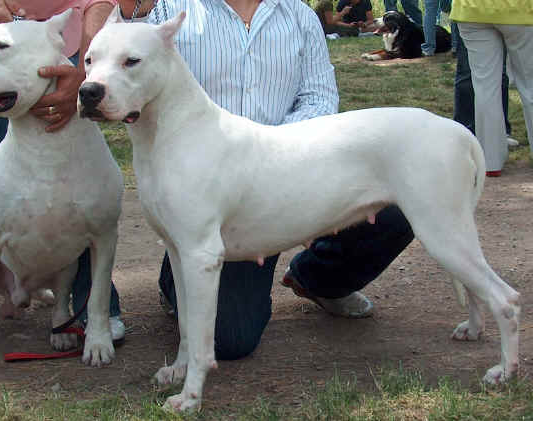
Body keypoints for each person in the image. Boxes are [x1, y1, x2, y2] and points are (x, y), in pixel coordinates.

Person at [117, 0, 414, 361]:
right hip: (216, 196)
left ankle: (319, 279)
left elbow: (319, 99)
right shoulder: (171, 11)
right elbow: (129, 55)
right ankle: (177, 277)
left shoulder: (301, 16)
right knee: (231, 340)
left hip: (289, 168)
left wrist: (271, 157)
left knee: (399, 209)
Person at [0, 0, 125, 341]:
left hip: (62, 49)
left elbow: (101, 1)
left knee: (82, 212)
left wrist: (85, 68)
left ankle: (91, 308)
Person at [450, 0, 533, 177]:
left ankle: (491, 161)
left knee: (484, 87)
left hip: (471, 10)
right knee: (530, 86)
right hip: (521, 10)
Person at [453, 24, 518, 154]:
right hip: (471, 12)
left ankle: (499, 133)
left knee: (500, 74)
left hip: (504, 11)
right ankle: (464, 132)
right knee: (467, 74)